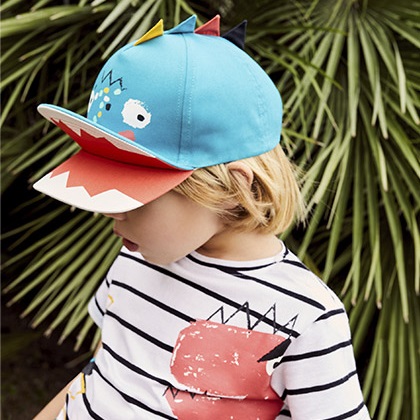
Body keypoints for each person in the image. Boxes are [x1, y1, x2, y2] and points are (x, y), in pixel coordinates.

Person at [33, 15, 370, 420]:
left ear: (232, 189)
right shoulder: (135, 258)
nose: (109, 210)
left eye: (137, 196)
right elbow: (101, 373)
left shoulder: (307, 317)